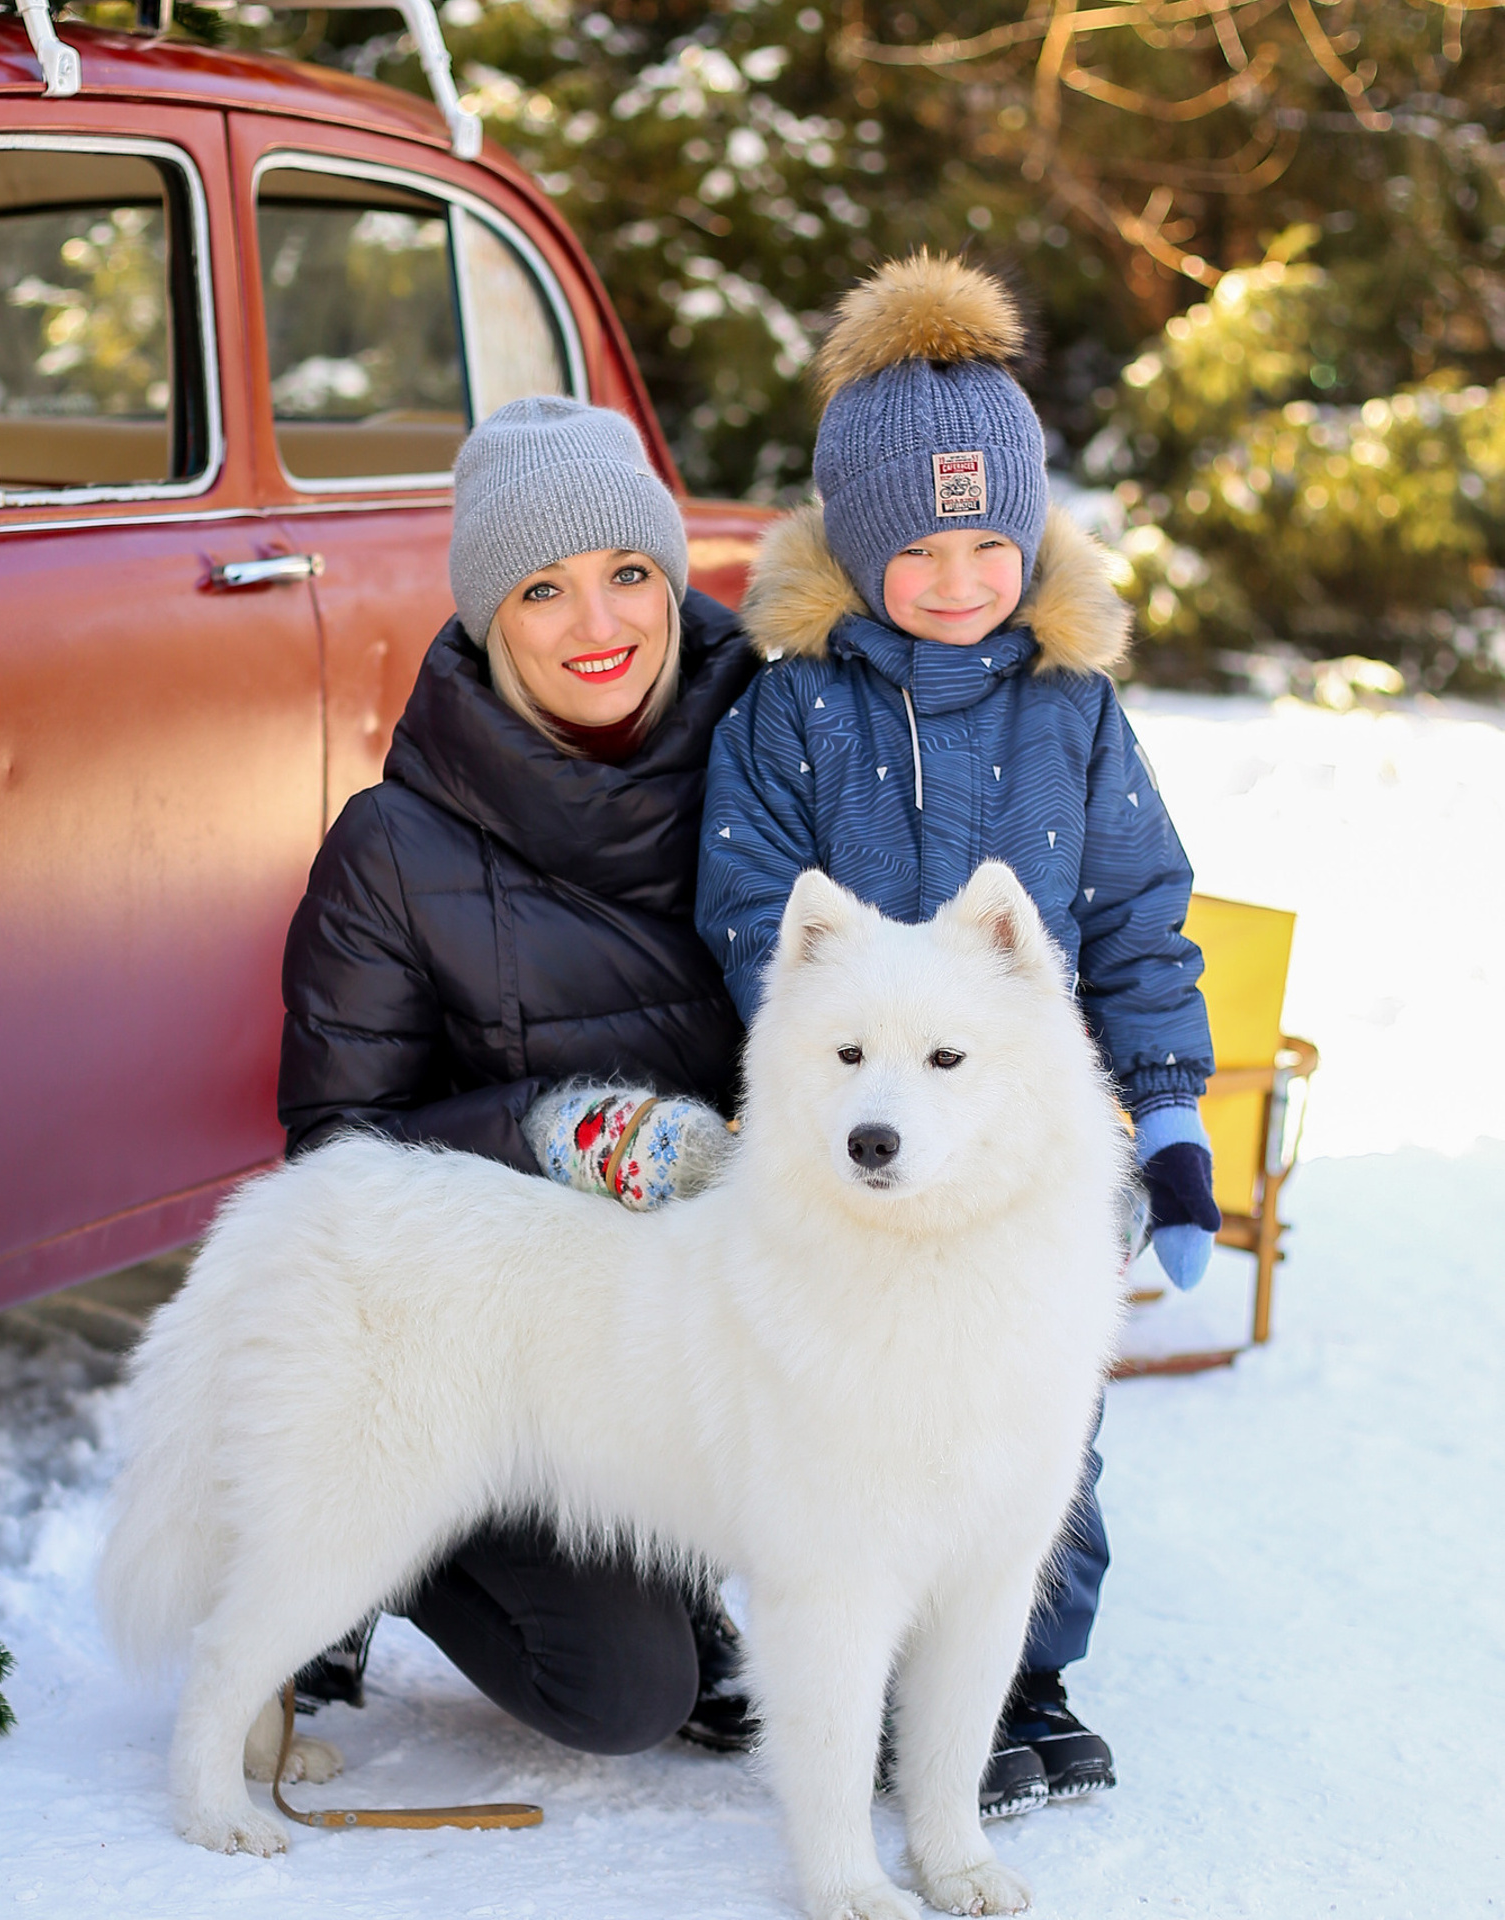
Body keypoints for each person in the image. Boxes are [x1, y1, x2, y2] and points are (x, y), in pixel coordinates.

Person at [693, 254, 1222, 1814]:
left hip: (1019, 1154)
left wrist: (1170, 1110)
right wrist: (824, 1072)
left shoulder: (1075, 713)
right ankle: (865, 1678)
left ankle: (1020, 1677)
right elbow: (753, 914)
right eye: (917, 548)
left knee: (1044, 1419)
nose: (956, 577)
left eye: (990, 541)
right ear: (859, 549)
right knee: (854, 1418)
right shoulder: (793, 710)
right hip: (861, 1143)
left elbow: (1136, 917)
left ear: (1033, 540)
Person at [276, 395, 756, 1757]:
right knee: (625, 1693)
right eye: (542, 589)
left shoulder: (778, 773)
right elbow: (334, 1165)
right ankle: (371, 1541)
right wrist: (558, 1136)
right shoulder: (393, 850)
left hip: (700, 1332)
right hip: (486, 1366)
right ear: (489, 618)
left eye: (628, 572)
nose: (597, 622)